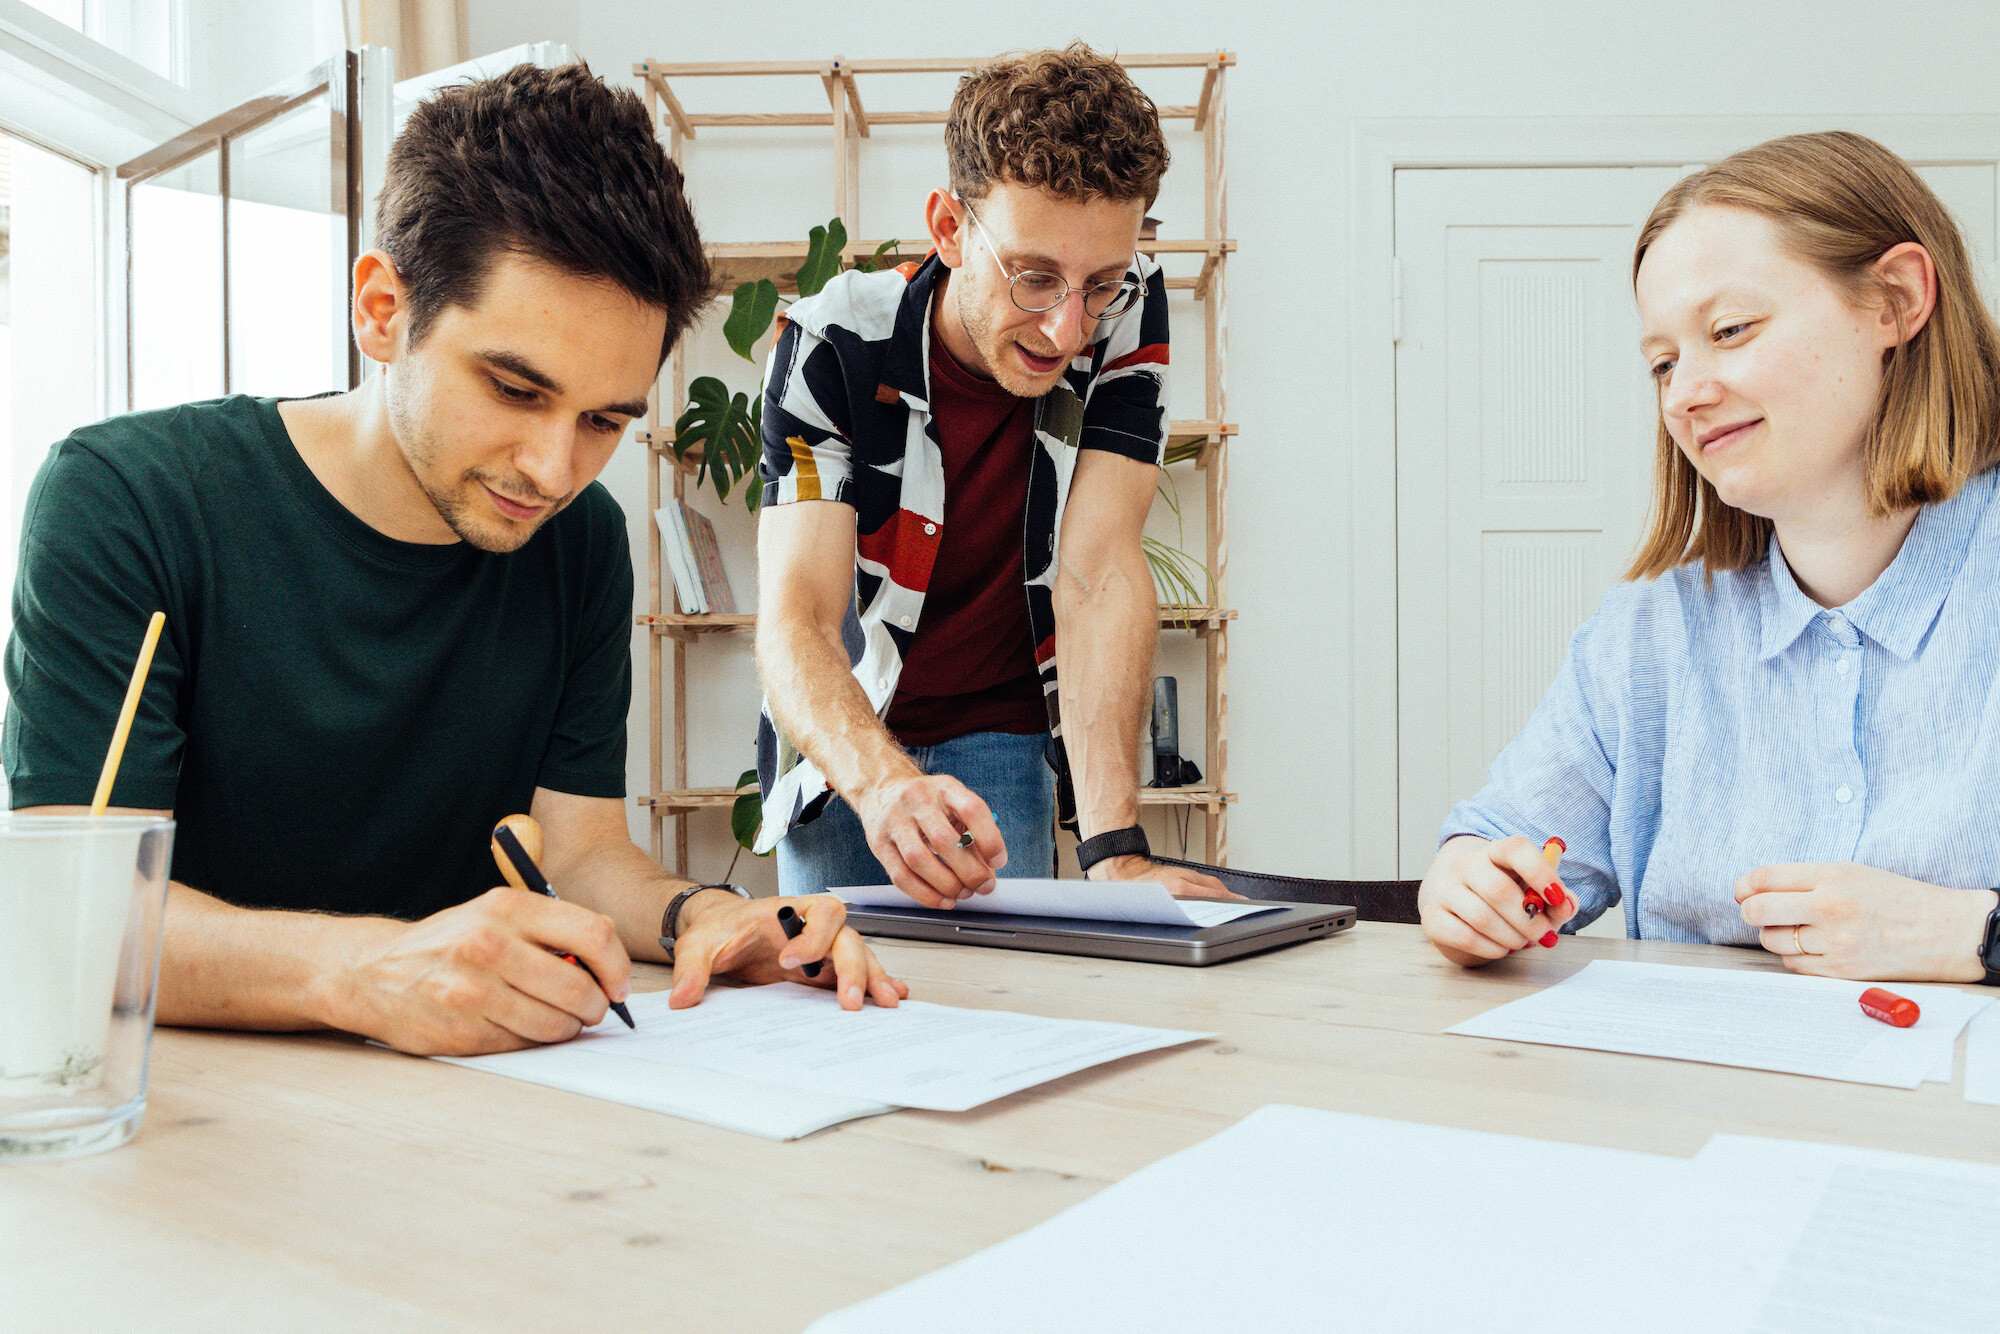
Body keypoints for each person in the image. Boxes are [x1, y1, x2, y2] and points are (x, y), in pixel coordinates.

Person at [2, 64, 906, 1058]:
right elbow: (74, 910)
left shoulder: (582, 547)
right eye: (515, 390)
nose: (554, 468)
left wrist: (698, 913)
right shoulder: (127, 501)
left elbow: (581, 847)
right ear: (383, 309)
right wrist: (366, 970)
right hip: (175, 1099)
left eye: (603, 419)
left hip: (461, 1096)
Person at [1420, 131, 2000, 985]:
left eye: (1731, 329)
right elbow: (1501, 841)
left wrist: (1977, 935)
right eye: (1663, 363)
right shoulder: (1648, 636)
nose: (1686, 394)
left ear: (1895, 300)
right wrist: (1470, 881)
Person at [752, 43, 1228, 907]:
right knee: (844, 999)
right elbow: (800, 620)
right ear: (949, 228)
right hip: (848, 741)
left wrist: (1116, 849)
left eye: (1101, 283)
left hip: (1001, 736)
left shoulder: (1126, 317)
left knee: (1011, 1007)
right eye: (1035, 277)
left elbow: (1101, 567)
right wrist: (884, 786)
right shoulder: (828, 346)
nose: (1067, 328)